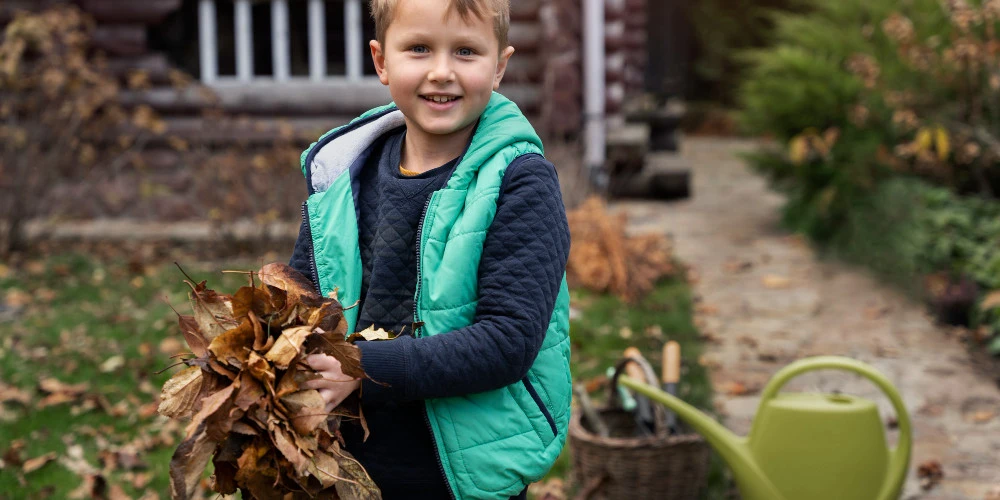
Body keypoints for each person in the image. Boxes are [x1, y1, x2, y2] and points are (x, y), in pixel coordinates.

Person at [286, 0, 572, 498]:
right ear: (381, 62)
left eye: (465, 51)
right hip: (346, 464)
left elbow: (508, 342)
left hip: (461, 470)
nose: (442, 72)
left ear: (499, 66)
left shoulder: (519, 182)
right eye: (418, 49)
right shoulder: (342, 179)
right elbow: (300, 301)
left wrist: (361, 368)